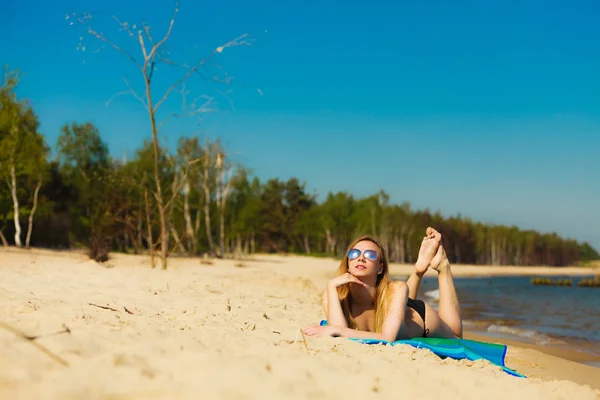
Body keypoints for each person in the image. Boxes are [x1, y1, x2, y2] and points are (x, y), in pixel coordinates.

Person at [303, 227, 463, 342]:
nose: (361, 258)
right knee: (397, 305)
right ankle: (419, 269)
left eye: (370, 254)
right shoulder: (335, 294)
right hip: (397, 313)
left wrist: (336, 330)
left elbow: (387, 337)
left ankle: (443, 267)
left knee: (456, 337)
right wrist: (331, 287)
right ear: (348, 262)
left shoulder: (397, 288)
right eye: (354, 253)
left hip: (421, 320)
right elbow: (340, 337)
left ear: (380, 267)